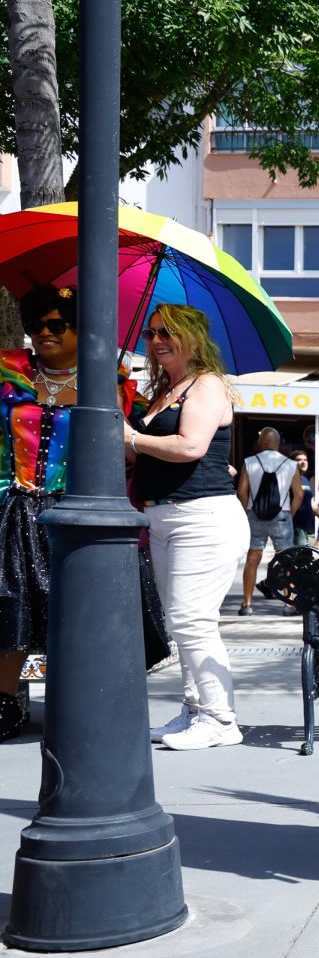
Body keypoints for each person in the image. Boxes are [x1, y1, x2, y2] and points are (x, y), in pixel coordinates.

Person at [0, 285, 166, 740]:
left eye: (56, 325)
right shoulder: (10, 371)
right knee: (10, 605)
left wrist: (110, 389)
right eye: (37, 325)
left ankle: (77, 704)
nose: (43, 334)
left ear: (80, 329)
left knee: (78, 609)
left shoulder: (106, 379)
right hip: (16, 508)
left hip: (79, 510)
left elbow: (121, 450)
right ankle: (4, 703)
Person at [126, 304, 248, 750]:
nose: (158, 340)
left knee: (192, 620)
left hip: (202, 516)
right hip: (165, 516)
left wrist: (133, 438)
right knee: (183, 623)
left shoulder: (208, 384)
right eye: (152, 332)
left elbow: (191, 445)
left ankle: (220, 719)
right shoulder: (166, 390)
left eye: (168, 332)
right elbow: (149, 452)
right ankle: (195, 711)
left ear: (193, 337)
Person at [235, 427, 303, 614]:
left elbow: (242, 491)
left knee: (253, 558)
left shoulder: (249, 462)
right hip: (282, 515)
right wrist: (290, 513)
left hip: (255, 514)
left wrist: (246, 511)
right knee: (286, 559)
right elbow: (298, 494)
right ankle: (289, 603)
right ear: (278, 443)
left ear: (263, 442)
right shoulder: (290, 464)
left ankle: (247, 604)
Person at [289, 450, 317, 546]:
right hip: (295, 526)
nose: (303, 462)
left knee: (302, 556)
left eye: (305, 459)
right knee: (302, 554)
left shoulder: (305, 479)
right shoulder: (289, 479)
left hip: (305, 527)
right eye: (299, 460)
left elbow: (311, 502)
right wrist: (289, 518)